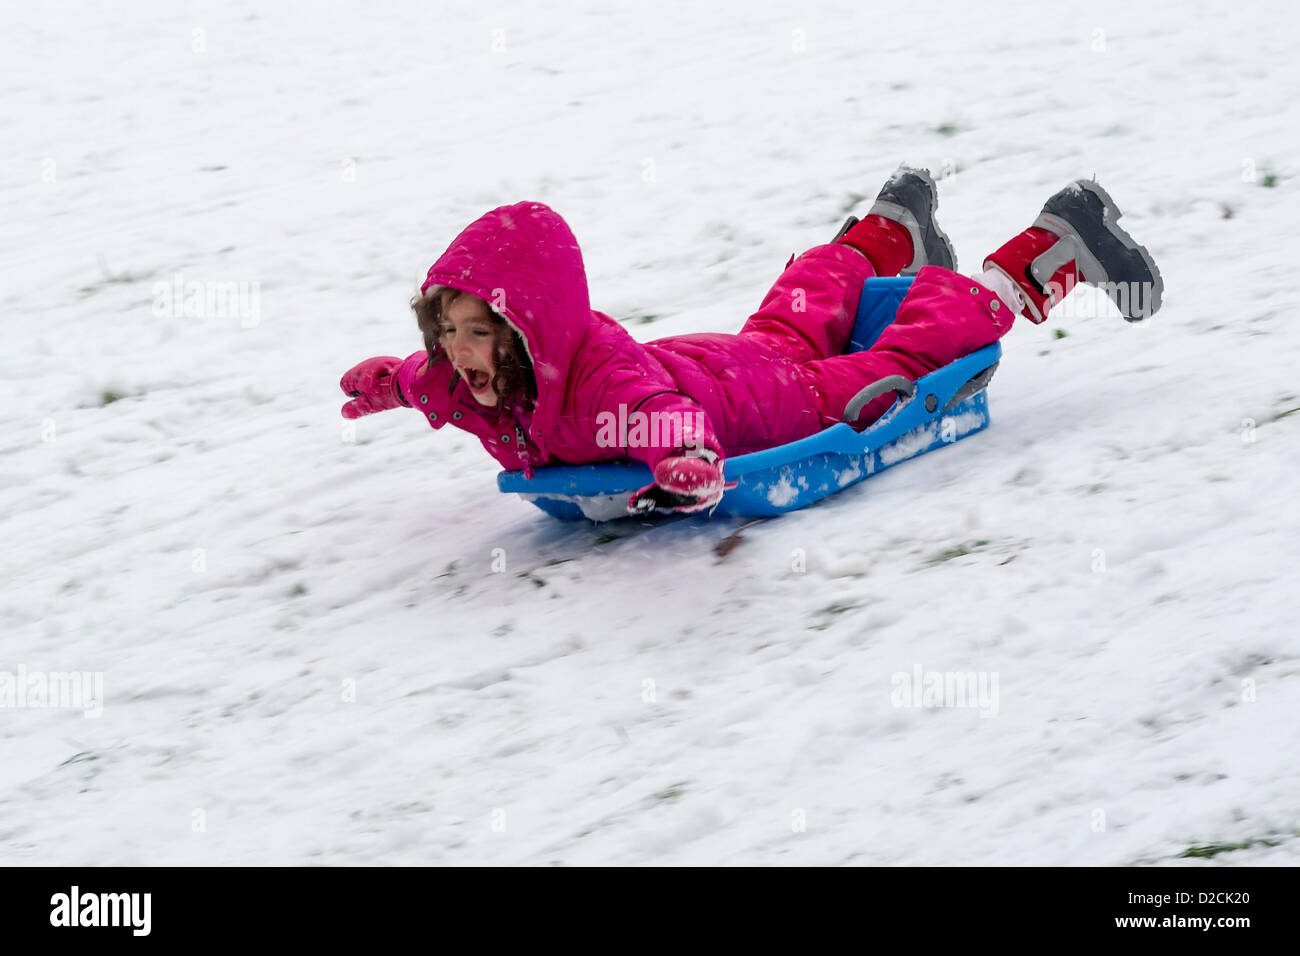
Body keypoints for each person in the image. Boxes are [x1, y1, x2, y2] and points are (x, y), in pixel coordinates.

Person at [340, 167, 1162, 514]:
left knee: (909, 361)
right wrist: (394, 380)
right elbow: (431, 381)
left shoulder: (597, 385)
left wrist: (683, 462)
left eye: (479, 334)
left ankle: (1051, 248)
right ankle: (890, 227)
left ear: (528, 334)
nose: (461, 352)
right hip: (730, 359)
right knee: (791, 316)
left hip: (779, 406)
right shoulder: (469, 379)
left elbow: (656, 414)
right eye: (447, 332)